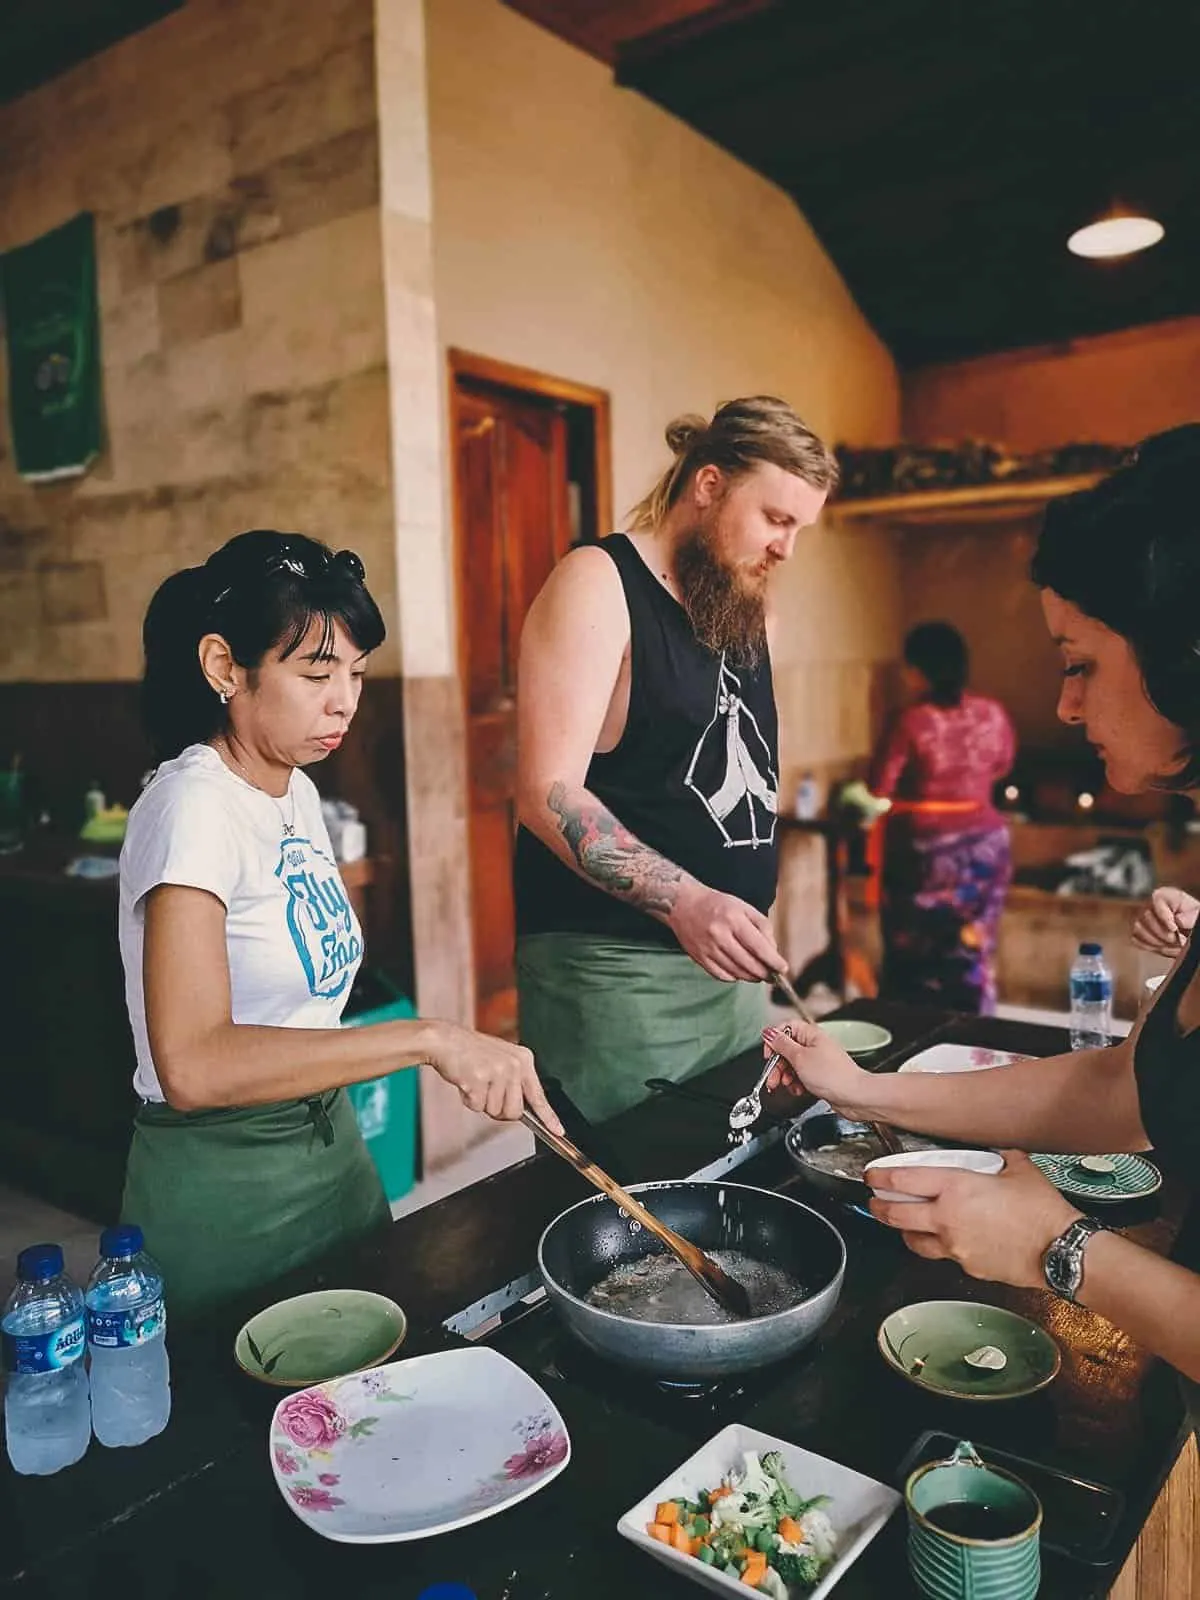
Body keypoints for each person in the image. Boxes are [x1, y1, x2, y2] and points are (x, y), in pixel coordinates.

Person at [761, 424, 1200, 1390]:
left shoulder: (917, 720)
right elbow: (1127, 1088)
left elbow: (882, 788)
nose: (1068, 706)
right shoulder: (995, 724)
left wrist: (1064, 1251)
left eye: (1080, 662)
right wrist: (864, 1091)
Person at [119, 530, 562, 1316]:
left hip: (334, 1151)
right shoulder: (191, 806)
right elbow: (191, 1065)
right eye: (317, 672)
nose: (345, 700)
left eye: (355, 673)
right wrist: (430, 1037)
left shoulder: (291, 788)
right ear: (225, 667)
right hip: (230, 1190)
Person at [514, 397, 838, 1123]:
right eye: (776, 519)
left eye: (799, 529)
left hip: (729, 979)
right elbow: (546, 792)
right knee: (633, 1207)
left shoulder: (750, 608)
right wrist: (689, 901)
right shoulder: (599, 582)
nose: (787, 548)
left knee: (726, 1187)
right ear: (709, 485)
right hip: (616, 981)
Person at [866, 621, 1016, 1013]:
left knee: (914, 955)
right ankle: (977, 1033)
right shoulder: (991, 714)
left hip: (925, 854)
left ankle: (910, 1036)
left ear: (918, 669)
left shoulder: (911, 720)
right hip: (986, 846)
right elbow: (1001, 764)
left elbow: (879, 784)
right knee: (972, 947)